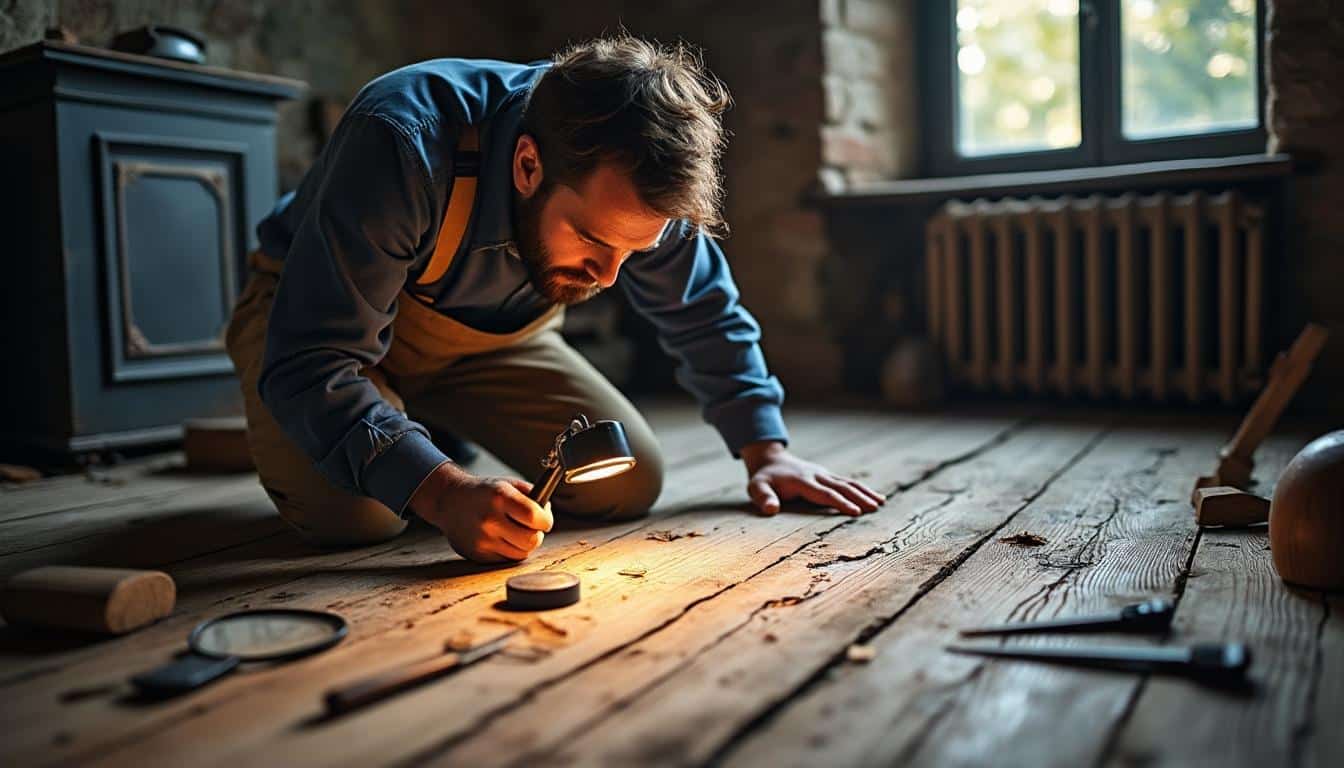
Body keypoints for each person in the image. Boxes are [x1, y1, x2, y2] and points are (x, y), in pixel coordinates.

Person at [225, 35, 884, 563]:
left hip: (487, 344)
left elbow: (703, 310)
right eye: (592, 240)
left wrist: (766, 450)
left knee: (624, 481)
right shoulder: (403, 139)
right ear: (527, 165)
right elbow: (312, 361)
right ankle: (416, 431)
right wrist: (443, 492)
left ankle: (423, 424)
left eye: (633, 253)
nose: (608, 278)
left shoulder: (649, 177)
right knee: (359, 517)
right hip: (323, 336)